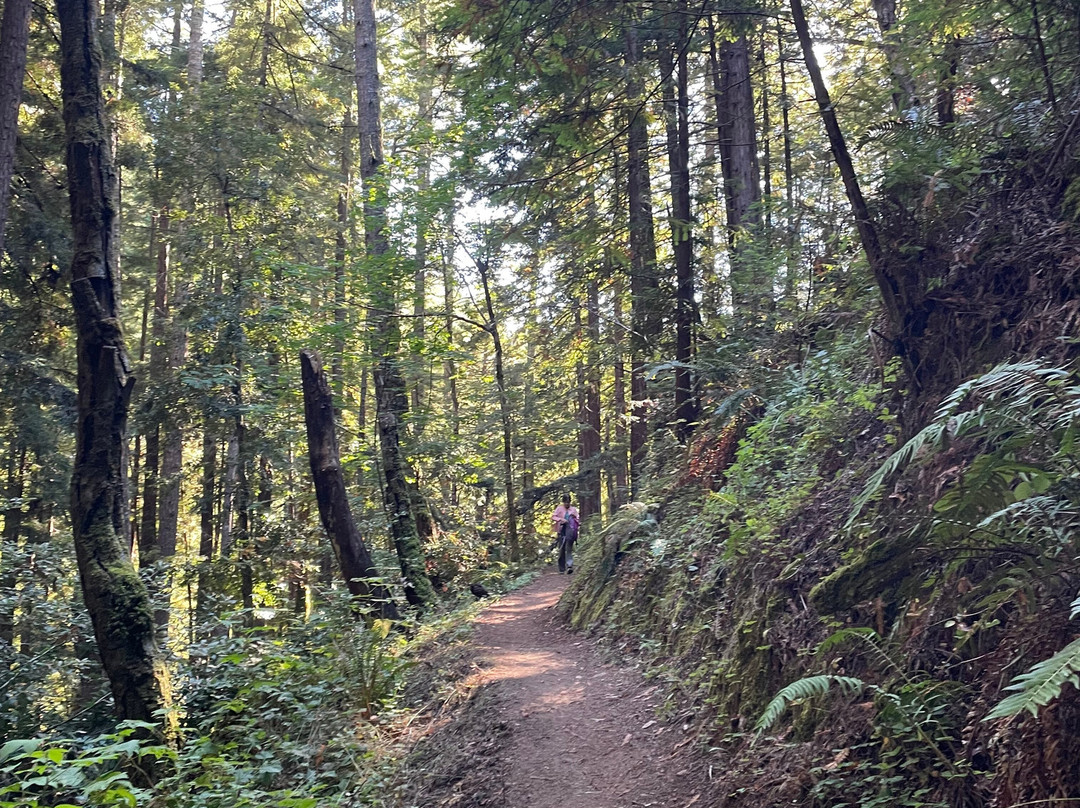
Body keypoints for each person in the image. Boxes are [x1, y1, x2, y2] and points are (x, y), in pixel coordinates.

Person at [552, 493, 580, 574]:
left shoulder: (573, 509)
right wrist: (561, 519)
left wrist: (575, 519)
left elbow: (578, 519)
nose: (567, 504)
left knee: (569, 548)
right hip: (561, 531)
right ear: (563, 502)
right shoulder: (559, 508)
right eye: (565, 502)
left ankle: (569, 566)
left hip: (570, 531)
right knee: (561, 549)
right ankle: (561, 568)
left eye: (568, 502)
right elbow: (553, 516)